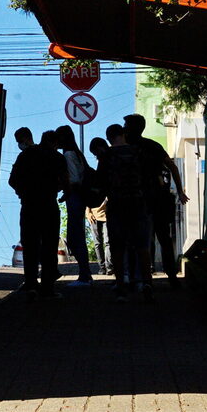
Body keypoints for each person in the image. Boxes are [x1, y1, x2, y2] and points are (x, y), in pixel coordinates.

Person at [123, 113, 189, 289]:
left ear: (132, 128)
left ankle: (144, 278)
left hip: (138, 199)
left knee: (140, 238)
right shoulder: (153, 146)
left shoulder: (127, 148)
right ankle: (171, 276)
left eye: (126, 125)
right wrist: (180, 191)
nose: (124, 128)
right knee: (163, 237)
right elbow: (172, 166)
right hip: (159, 198)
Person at [9, 129, 67, 300]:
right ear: (55, 143)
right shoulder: (57, 158)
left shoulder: (25, 155)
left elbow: (12, 180)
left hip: (28, 206)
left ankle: (31, 284)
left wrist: (23, 192)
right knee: (49, 247)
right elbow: (65, 181)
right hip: (49, 206)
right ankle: (48, 288)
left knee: (30, 246)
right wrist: (59, 190)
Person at [98, 123, 154, 302]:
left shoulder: (107, 155)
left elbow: (101, 181)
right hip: (138, 202)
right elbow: (148, 177)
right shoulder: (138, 152)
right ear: (123, 134)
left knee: (117, 247)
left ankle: (121, 286)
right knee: (142, 246)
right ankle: (147, 283)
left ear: (109, 138)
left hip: (116, 204)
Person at [54, 124, 94, 285]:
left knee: (75, 236)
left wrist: (65, 188)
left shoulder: (68, 155)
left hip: (75, 197)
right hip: (77, 197)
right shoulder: (76, 153)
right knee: (76, 235)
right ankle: (85, 273)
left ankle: (85, 273)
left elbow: (75, 179)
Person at [87, 136, 112, 276]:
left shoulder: (105, 161)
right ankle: (103, 267)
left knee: (108, 241)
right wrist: (88, 211)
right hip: (95, 213)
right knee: (98, 242)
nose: (95, 155)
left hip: (107, 211)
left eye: (95, 152)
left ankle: (109, 267)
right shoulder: (101, 162)